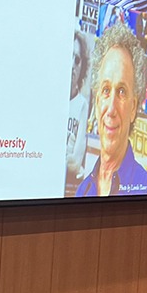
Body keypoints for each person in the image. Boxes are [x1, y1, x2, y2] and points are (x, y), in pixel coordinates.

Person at [77, 22, 147, 196]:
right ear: (96, 101)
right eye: (106, 90)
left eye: (122, 91)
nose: (111, 109)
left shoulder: (146, 188)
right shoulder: (82, 191)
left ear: (133, 107)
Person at [66, 31, 91, 189]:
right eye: (70, 57)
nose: (72, 66)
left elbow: (75, 163)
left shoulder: (82, 104)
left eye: (77, 60)